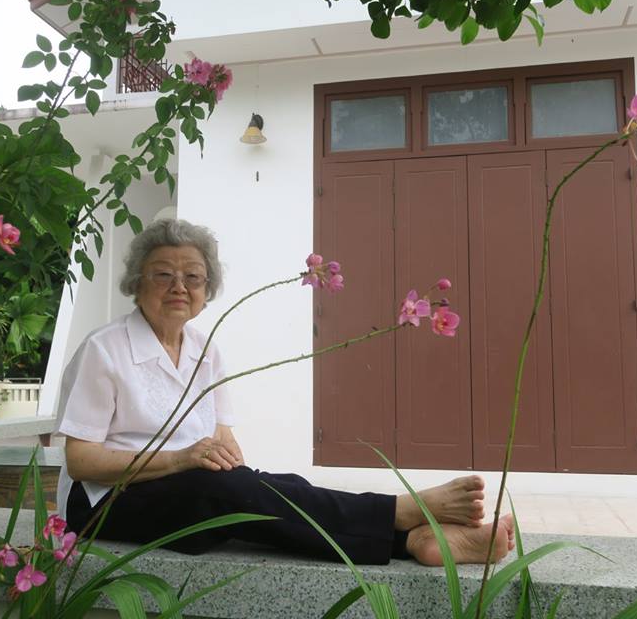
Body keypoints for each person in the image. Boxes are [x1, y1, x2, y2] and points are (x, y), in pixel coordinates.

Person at [54, 218, 514, 566]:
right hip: (105, 502)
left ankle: (413, 542)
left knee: (281, 487)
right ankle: (398, 512)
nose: (179, 287)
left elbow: (222, 436)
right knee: (228, 491)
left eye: (193, 277)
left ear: (206, 289)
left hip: (189, 491)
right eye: (163, 275)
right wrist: (181, 460)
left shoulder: (203, 348)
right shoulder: (105, 349)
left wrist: (237, 469)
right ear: (137, 284)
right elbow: (81, 461)